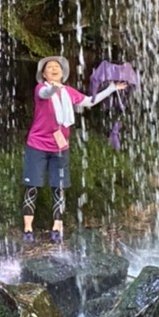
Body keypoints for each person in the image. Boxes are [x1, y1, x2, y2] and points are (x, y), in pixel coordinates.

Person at [22, 55, 127, 243]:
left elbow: (88, 101)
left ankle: (57, 227)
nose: (54, 69)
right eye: (50, 67)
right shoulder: (42, 89)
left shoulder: (68, 92)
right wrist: (53, 89)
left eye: (57, 67)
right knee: (33, 185)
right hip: (37, 145)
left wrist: (111, 88)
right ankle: (28, 228)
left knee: (59, 186)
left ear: (62, 73)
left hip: (60, 146)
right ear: (44, 75)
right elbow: (44, 95)